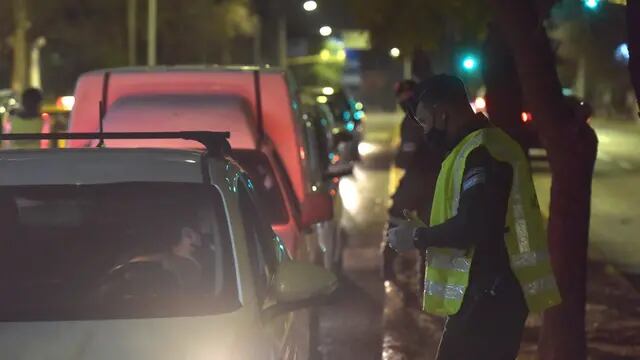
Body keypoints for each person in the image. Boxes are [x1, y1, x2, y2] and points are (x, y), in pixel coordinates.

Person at [387, 74, 561, 359]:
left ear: (442, 112)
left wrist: (418, 237)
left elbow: (475, 225)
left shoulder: (482, 153)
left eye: (424, 121)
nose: (425, 130)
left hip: (491, 296)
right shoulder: (480, 147)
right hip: (491, 293)